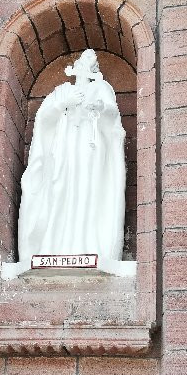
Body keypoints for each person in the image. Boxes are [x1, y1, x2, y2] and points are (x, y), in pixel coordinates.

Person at [16, 49, 126, 267]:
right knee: (58, 191)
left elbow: (113, 116)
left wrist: (100, 107)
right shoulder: (62, 91)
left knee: (87, 191)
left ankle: (87, 245)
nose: (87, 66)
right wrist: (62, 103)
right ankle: (52, 246)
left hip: (90, 148)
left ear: (95, 69)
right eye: (83, 61)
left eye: (91, 63)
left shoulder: (101, 88)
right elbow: (44, 119)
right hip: (63, 150)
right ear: (76, 67)